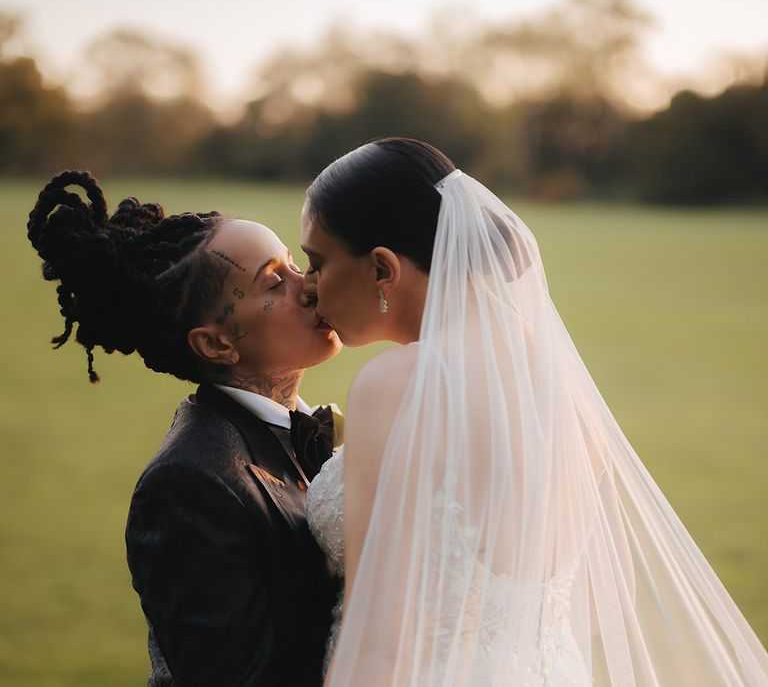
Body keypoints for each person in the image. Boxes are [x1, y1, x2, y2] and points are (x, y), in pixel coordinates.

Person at [302, 138, 768, 685]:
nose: (308, 286)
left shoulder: (398, 385)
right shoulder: (554, 385)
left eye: (316, 262)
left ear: (382, 268)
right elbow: (604, 597)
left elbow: (380, 647)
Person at [27, 171, 342, 686]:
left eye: (293, 262)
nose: (308, 285)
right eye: (273, 281)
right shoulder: (190, 484)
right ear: (216, 344)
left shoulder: (303, 432)